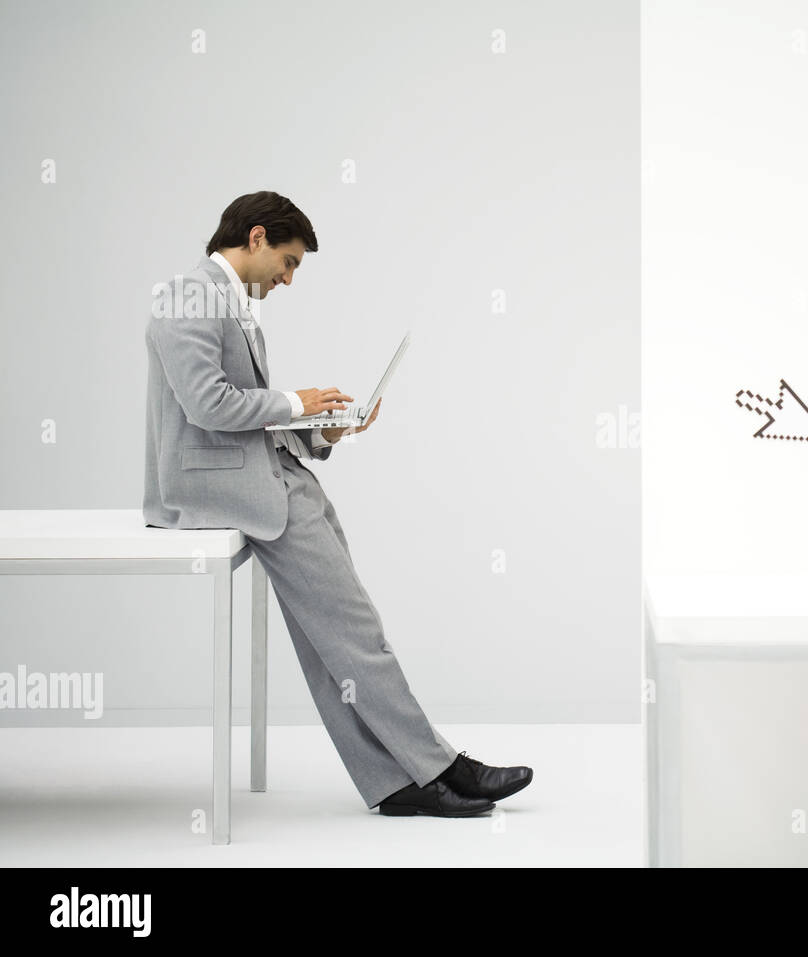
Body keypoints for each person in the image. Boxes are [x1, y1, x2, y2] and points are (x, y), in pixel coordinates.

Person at [143, 190, 531, 817]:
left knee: (337, 643)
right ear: (259, 237)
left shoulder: (229, 304)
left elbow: (244, 418)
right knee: (357, 633)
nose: (289, 278)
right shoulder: (189, 296)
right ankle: (441, 766)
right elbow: (207, 406)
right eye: (289, 262)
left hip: (273, 475)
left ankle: (396, 783)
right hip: (225, 490)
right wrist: (298, 401)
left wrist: (323, 428)